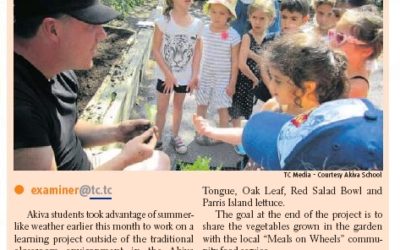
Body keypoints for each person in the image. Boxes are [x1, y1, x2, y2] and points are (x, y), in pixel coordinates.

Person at [14, 0, 170, 171]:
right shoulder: (18, 109)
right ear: (53, 29)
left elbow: (66, 130)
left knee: (160, 160)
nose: (103, 34)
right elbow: (53, 195)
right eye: (92, 25)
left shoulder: (58, 70)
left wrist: (118, 132)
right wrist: (125, 159)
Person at [194, 33, 365, 170]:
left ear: (308, 87)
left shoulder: (323, 125)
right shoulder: (273, 106)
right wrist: (212, 131)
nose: (270, 84)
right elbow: (249, 136)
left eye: (278, 80)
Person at [152, 0, 203, 154]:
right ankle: (157, 139)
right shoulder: (163, 22)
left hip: (184, 77)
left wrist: (195, 75)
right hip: (165, 77)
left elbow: (198, 51)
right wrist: (168, 74)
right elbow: (155, 49)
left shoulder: (198, 24)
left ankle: (175, 136)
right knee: (161, 109)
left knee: (178, 106)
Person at [229, 0, 275, 154]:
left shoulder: (270, 38)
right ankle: (237, 140)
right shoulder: (247, 37)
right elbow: (242, 64)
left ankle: (248, 138)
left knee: (251, 112)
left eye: (262, 18)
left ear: (271, 20)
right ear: (249, 18)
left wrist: (255, 56)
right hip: (245, 80)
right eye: (254, 17)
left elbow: (269, 62)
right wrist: (254, 79)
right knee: (238, 109)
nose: (257, 22)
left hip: (260, 83)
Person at [195, 0, 241, 145]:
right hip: (205, 75)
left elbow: (235, 62)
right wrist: (195, 74)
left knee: (222, 106)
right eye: (213, 12)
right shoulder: (204, 30)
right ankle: (200, 132)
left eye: (222, 13)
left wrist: (232, 83)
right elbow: (199, 52)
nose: (217, 16)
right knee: (201, 104)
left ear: (229, 15)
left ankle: (221, 135)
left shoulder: (233, 35)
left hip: (223, 78)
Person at [328, 8, 383, 98]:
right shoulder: (341, 72)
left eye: (340, 37)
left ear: (366, 51)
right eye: (332, 34)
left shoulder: (356, 87)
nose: (331, 42)